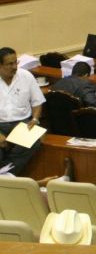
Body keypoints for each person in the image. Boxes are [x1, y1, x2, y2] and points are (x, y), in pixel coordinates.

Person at [0, 46, 45, 176]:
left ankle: (5, 175)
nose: (14, 67)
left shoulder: (26, 76)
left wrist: (35, 119)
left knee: (34, 141)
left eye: (16, 62)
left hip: (22, 123)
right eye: (9, 64)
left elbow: (37, 102)